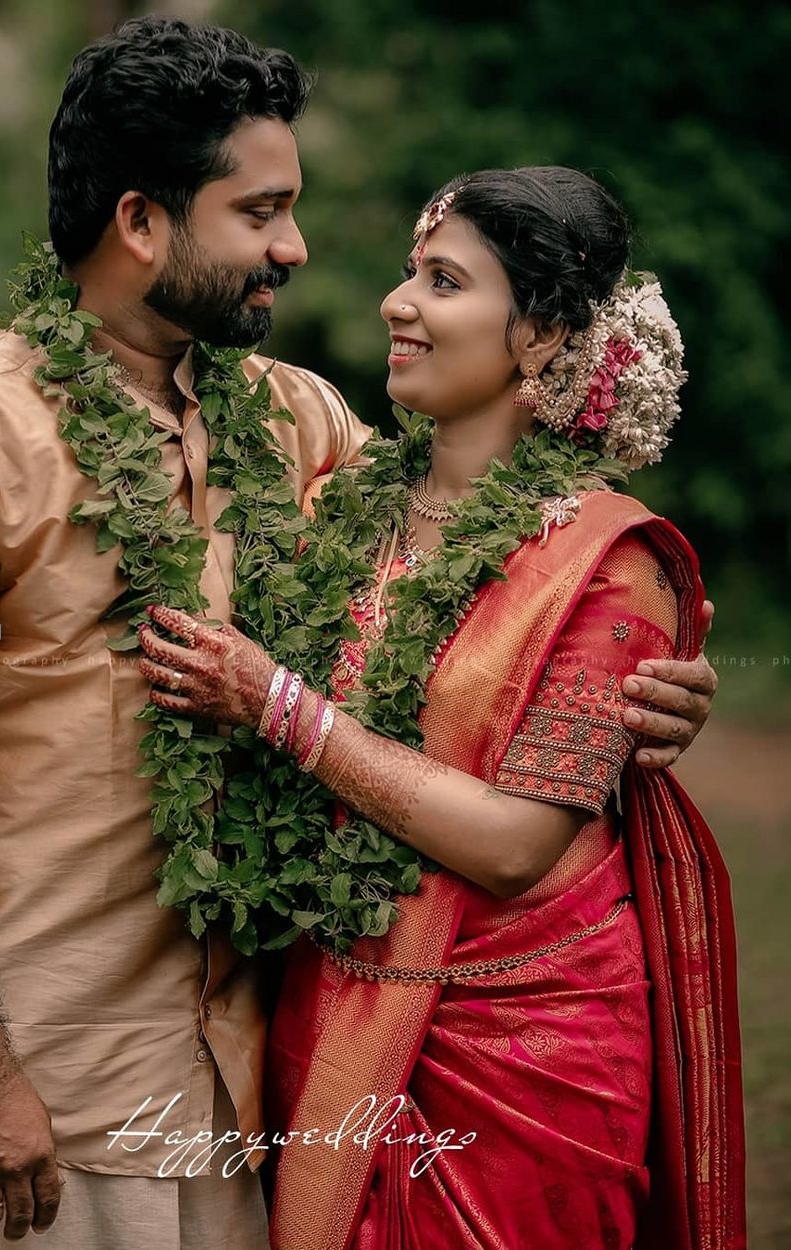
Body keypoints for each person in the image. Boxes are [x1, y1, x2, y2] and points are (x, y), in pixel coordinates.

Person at [0, 14, 716, 1247]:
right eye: (260, 211)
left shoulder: (293, 421)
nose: (296, 247)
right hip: (40, 1067)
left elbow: (489, 572)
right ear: (142, 222)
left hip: (246, 1078)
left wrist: (653, 668)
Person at [138, 167, 743, 1249]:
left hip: (522, 1048)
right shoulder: (348, 501)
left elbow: (515, 845)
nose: (396, 302)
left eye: (444, 280)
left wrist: (274, 703)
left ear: (543, 336)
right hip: (332, 995)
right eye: (410, 272)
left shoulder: (611, 570)